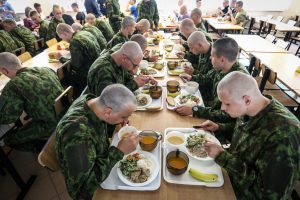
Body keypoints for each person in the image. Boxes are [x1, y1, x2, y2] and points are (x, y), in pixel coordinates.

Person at [201, 71, 300, 199]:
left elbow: (266, 194)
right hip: (229, 176)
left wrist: (223, 157)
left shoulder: (284, 136)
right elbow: (247, 136)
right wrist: (220, 128)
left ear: (247, 100)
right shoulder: (252, 107)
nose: (222, 108)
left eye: (227, 103)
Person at [56, 84, 139, 199]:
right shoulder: (78, 134)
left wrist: (118, 119)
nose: (126, 121)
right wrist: (119, 151)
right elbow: (81, 190)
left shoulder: (92, 102)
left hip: (100, 155)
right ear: (108, 112)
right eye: (123, 117)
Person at [175, 38, 249, 124]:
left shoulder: (238, 80)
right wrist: (192, 78)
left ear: (222, 59)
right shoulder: (223, 66)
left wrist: (195, 110)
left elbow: (226, 115)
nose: (210, 58)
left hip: (220, 125)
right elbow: (207, 78)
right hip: (210, 109)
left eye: (212, 56)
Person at [0, 52, 63, 152]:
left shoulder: (14, 85)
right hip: (66, 112)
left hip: (50, 124)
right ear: (19, 62)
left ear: (4, 70)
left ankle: (47, 149)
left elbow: (7, 118)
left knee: (8, 139)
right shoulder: (46, 69)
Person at [87, 41, 156, 96]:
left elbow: (125, 79)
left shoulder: (119, 59)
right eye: (135, 65)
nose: (135, 69)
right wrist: (134, 84)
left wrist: (141, 78)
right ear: (124, 58)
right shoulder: (103, 70)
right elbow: (109, 100)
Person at [56, 23, 101, 96]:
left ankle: (76, 98)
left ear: (64, 34)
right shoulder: (85, 33)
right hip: (96, 65)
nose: (62, 40)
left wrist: (61, 58)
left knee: (62, 79)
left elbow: (76, 65)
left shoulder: (75, 42)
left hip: (88, 72)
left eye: (61, 38)